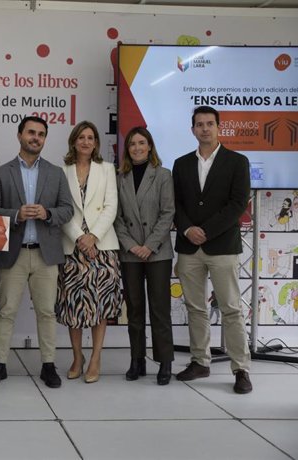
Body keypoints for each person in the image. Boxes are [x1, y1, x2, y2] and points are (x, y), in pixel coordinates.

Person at [0, 116, 73, 389]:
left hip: (46, 255)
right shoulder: (1, 172)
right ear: (20, 135)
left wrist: (47, 213)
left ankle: (48, 365)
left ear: (45, 139)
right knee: (6, 311)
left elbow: (67, 210)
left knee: (47, 312)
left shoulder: (56, 173)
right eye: (31, 132)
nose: (36, 138)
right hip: (14, 253)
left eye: (41, 134)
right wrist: (16, 214)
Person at [173, 105, 252, 394]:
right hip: (188, 248)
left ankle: (241, 369)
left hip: (222, 246)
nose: (204, 128)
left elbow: (238, 203)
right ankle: (200, 362)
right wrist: (187, 229)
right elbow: (176, 205)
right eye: (199, 124)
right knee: (195, 308)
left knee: (231, 309)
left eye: (209, 123)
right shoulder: (181, 164)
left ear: (219, 127)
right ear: (192, 129)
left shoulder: (237, 161)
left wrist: (205, 231)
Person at [56, 120, 122, 384]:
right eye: (81, 137)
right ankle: (77, 356)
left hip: (103, 248)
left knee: (100, 306)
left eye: (90, 137)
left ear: (96, 143)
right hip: (73, 248)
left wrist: (93, 237)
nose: (86, 141)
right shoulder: (62, 172)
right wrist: (81, 238)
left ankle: (95, 358)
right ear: (74, 141)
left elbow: (111, 206)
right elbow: (61, 209)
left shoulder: (107, 169)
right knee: (74, 308)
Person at [113, 126, 174, 386]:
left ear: (150, 146)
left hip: (157, 252)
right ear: (127, 149)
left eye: (141, 143)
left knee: (160, 309)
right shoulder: (119, 177)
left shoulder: (163, 175)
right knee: (135, 310)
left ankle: (165, 362)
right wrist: (132, 246)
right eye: (132, 144)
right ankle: (136, 360)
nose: (137, 148)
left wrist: (149, 245)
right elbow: (115, 218)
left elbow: (167, 213)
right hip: (131, 254)